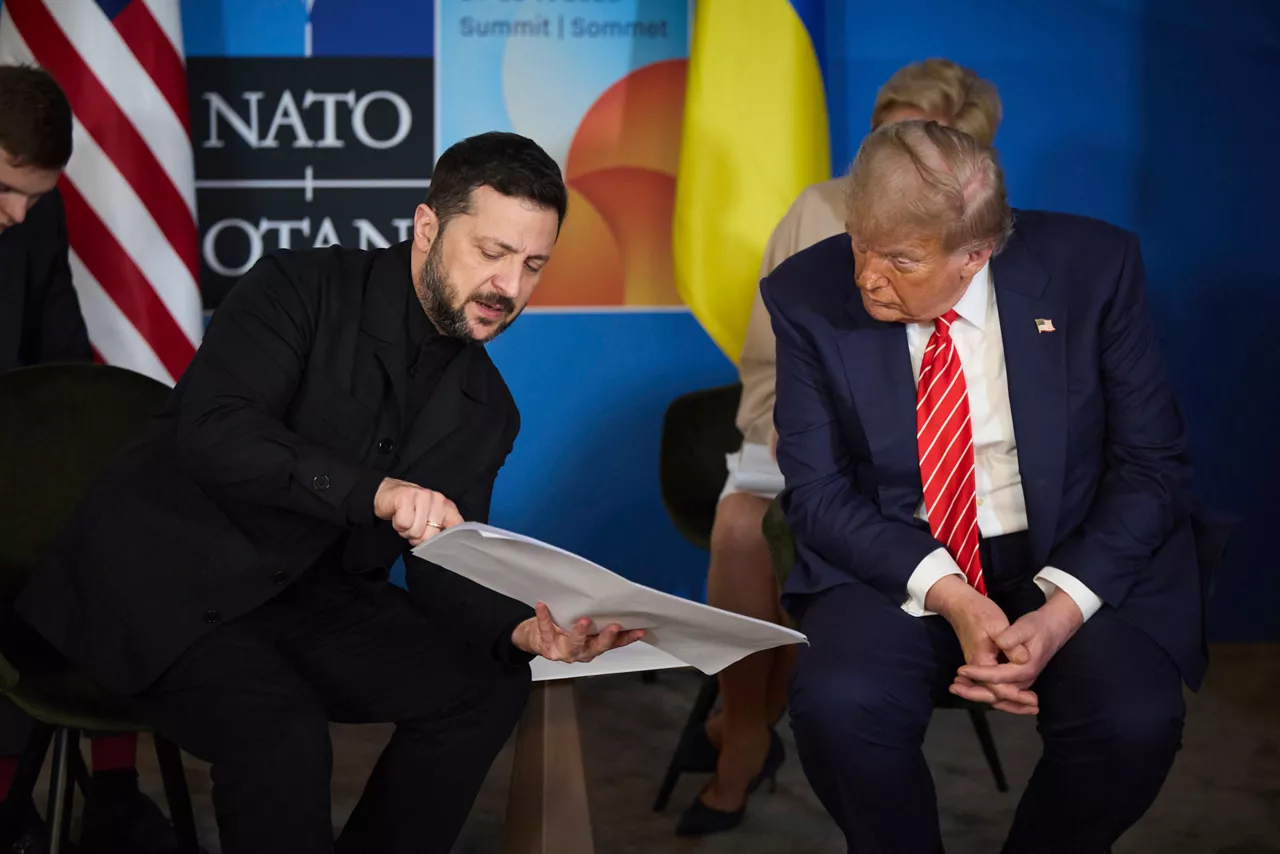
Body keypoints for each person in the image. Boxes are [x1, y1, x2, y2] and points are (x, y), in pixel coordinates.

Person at [14, 131, 644, 854]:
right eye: (492, 253)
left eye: (534, 264)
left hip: (308, 600)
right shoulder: (298, 285)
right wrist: (375, 492)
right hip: (169, 581)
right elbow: (214, 431)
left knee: (488, 685)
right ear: (428, 228)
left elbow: (449, 570)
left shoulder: (489, 409)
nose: (509, 287)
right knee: (279, 733)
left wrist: (521, 629)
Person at [766, 120, 1227, 852]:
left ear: (975, 254)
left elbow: (1151, 467)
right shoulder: (806, 294)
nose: (865, 276)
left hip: (1069, 548)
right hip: (901, 553)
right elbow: (818, 495)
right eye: (859, 241)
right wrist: (950, 595)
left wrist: (1061, 610)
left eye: (901, 260)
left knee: (1133, 721)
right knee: (837, 706)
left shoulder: (1092, 270)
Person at [680, 58, 1003, 836]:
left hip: (930, 461)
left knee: (846, 553)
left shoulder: (992, 235)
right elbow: (764, 364)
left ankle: (770, 715)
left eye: (931, 146)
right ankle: (746, 731)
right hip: (794, 434)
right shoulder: (815, 210)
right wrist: (790, 432)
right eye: (891, 136)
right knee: (742, 528)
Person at [0, 63, 187, 854]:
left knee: (125, 535)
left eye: (35, 198)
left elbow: (61, 351)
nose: (18, 213)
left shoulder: (36, 218)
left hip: (14, 465)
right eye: (4, 189)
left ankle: (112, 786)